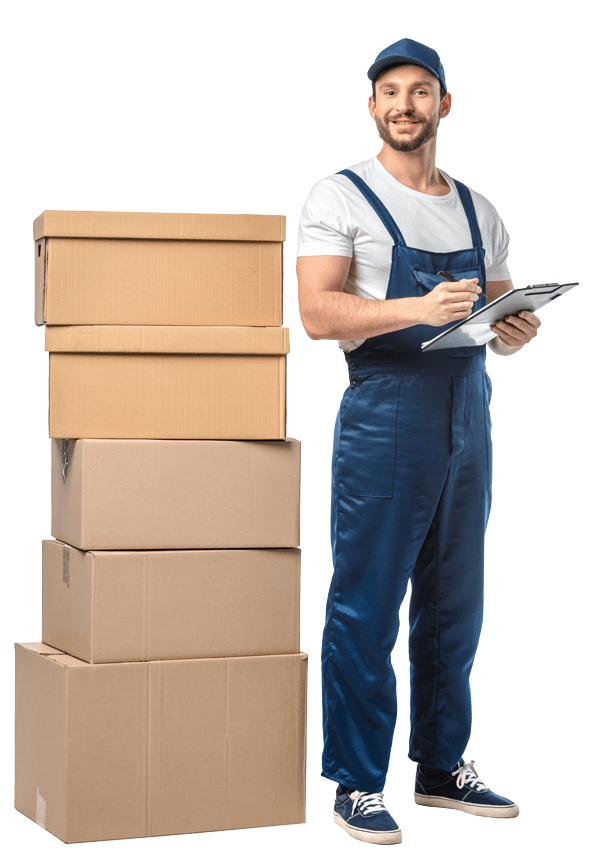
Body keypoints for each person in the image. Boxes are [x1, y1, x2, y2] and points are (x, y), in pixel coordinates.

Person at [296, 37, 540, 846]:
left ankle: (440, 768)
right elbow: (319, 313)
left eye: (421, 90)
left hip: (469, 409)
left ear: (444, 105)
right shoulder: (340, 197)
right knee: (367, 599)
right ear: (372, 106)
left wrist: (515, 329)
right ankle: (358, 781)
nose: (405, 104)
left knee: (455, 602)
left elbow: (499, 311)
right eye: (389, 91)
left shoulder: (479, 207)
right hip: (386, 410)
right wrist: (415, 309)